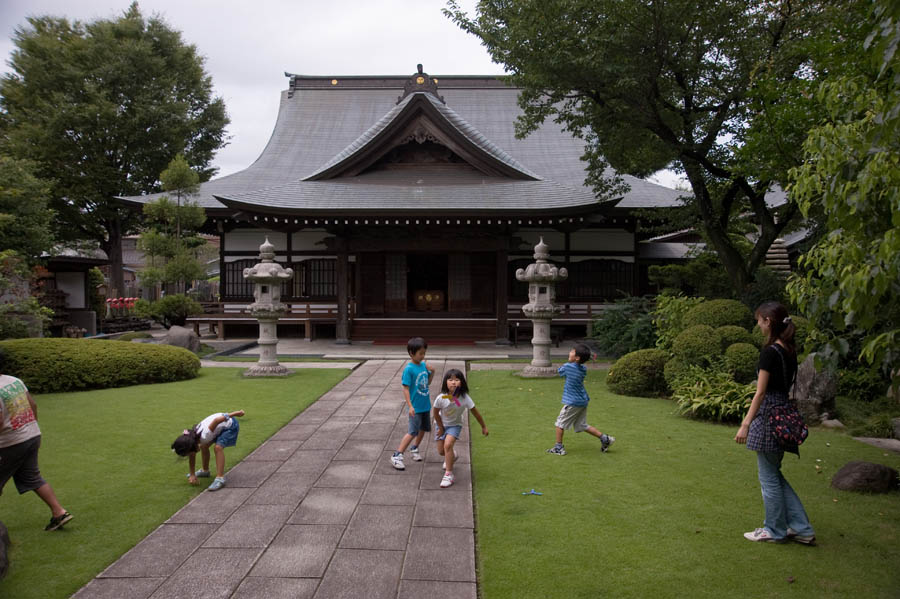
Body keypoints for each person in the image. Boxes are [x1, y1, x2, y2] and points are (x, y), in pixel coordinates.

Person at [735, 301, 816, 545]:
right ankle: (801, 528)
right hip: (783, 414)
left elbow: (760, 393)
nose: (758, 324)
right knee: (774, 474)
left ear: (768, 322)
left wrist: (746, 424)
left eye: (759, 320)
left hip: (769, 416)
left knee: (769, 478)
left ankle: (774, 529)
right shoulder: (789, 350)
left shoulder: (770, 352)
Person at [0, 348, 72, 531]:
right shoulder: (14, 381)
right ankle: (59, 512)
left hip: (10, 443)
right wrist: (31, 426)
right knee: (32, 477)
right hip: (31, 435)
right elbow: (33, 404)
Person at [547, 343, 614, 456]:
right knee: (581, 425)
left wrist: (569, 362)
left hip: (572, 402)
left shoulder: (568, 366)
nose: (570, 353)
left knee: (559, 423)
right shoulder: (583, 368)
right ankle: (605, 439)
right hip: (582, 401)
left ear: (577, 357)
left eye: (572, 352)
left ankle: (558, 448)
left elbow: (560, 371)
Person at [432, 368, 488, 488]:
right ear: (445, 382)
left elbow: (475, 413)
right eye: (450, 379)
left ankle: (449, 474)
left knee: (448, 445)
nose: (453, 382)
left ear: (462, 382)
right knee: (441, 451)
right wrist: (441, 427)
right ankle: (453, 455)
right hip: (441, 424)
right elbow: (436, 413)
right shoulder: (441, 398)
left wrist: (483, 426)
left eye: (457, 380)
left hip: (455, 425)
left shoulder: (465, 398)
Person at [171, 410, 245, 491]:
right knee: (204, 446)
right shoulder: (192, 438)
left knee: (218, 448)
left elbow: (216, 421)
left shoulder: (205, 435)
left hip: (230, 425)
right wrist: (192, 475)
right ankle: (205, 471)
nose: (190, 455)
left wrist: (236, 413)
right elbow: (192, 454)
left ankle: (220, 478)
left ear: (192, 447)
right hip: (218, 428)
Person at [390, 337, 435, 470]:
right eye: (420, 353)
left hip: (425, 405)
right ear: (411, 353)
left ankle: (414, 448)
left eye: (424, 353)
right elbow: (406, 388)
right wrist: (410, 406)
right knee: (412, 431)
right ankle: (397, 455)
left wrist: (433, 372)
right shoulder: (409, 369)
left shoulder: (422, 365)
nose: (423, 356)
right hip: (415, 407)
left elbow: (428, 383)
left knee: (424, 429)